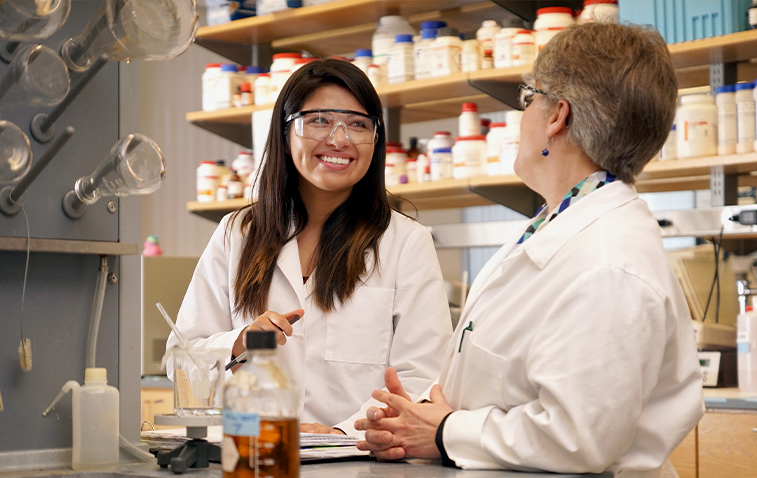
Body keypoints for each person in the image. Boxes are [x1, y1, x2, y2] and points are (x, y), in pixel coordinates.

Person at [355, 23, 704, 476]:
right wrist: (428, 417)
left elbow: (576, 437)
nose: (522, 117)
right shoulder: (555, 229)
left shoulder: (607, 263)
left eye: (528, 98)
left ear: (557, 116)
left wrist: (446, 431)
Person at [166, 59, 453, 435]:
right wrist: (238, 342)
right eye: (318, 120)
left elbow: (421, 375)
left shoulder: (405, 243)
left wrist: (341, 434)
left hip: (358, 461)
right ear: (285, 134)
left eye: (358, 124)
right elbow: (180, 360)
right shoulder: (237, 233)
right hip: (254, 454)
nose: (339, 139)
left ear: (376, 139)